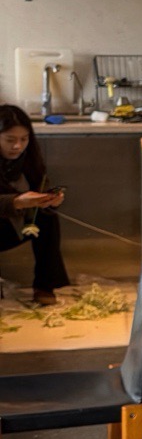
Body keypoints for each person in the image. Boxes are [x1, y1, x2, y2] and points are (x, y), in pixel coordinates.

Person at [0, 104, 70, 306]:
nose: (17, 146)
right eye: (10, 140)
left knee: (47, 218)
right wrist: (16, 202)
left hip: (14, 226)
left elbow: (40, 187)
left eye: (24, 139)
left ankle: (44, 286)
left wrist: (49, 201)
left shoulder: (29, 159)